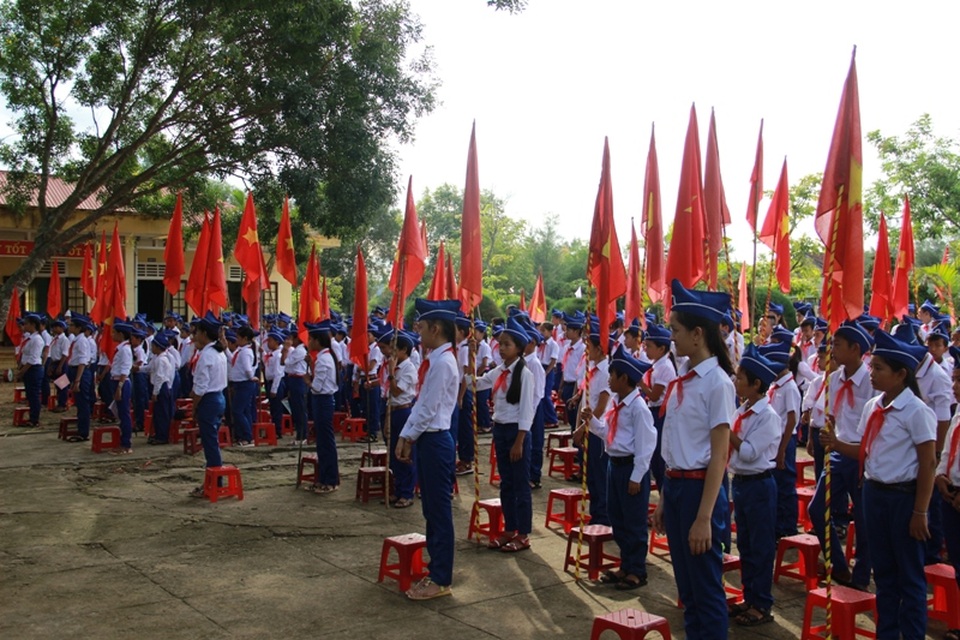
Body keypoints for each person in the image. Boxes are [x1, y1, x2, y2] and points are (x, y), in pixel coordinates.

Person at [821, 330, 936, 640]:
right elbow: (866, 450)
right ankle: (887, 633)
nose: (871, 373)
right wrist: (836, 443)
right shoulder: (874, 405)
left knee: (909, 576)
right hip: (874, 492)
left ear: (900, 375)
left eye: (879, 369)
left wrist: (920, 511)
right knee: (883, 574)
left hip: (903, 497)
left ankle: (911, 634)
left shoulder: (917, 412)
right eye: (872, 367)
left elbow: (928, 463)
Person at [651, 280, 736, 640]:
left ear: (698, 335)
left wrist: (704, 518)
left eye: (675, 330)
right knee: (687, 590)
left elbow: (719, 456)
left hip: (703, 490)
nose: (671, 337)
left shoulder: (717, 383)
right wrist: (665, 500)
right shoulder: (685, 379)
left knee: (706, 589)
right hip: (678, 488)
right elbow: (675, 446)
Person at [395, 299, 460, 600]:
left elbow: (427, 408)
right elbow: (422, 403)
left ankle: (441, 577)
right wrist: (409, 436)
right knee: (432, 511)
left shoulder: (444, 363)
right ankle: (437, 571)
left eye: (421, 326)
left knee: (438, 512)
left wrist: (406, 436)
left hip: (435, 440)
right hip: (429, 439)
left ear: (436, 329)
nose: (417, 331)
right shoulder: (436, 359)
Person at [578, 346, 656, 590]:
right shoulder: (616, 403)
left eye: (612, 376)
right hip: (614, 464)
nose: (609, 380)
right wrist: (591, 421)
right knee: (617, 517)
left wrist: (637, 476)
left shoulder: (638, 408)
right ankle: (625, 564)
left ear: (624, 379)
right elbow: (608, 433)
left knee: (634, 520)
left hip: (631, 468)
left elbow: (646, 444)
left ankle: (637, 570)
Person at [809, 320, 876, 590]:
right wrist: (828, 435)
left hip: (861, 457)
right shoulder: (834, 378)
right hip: (836, 454)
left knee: (863, 520)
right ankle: (837, 562)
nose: (832, 349)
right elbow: (833, 413)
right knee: (817, 509)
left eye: (837, 344)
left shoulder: (872, 381)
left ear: (855, 348)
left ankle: (861, 576)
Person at [727, 345, 781, 627]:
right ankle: (749, 597)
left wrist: (727, 431)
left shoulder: (767, 417)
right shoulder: (742, 410)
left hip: (759, 485)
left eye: (740, 378)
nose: (736, 382)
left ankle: (762, 604)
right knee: (745, 545)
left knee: (760, 547)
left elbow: (748, 452)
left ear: (756, 384)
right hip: (742, 484)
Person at [473, 316, 537, 553]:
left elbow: (526, 412)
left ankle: (523, 533)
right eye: (500, 343)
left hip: (517, 433)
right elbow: (479, 383)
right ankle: (510, 528)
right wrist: (466, 372)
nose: (502, 348)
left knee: (520, 484)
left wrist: (519, 441)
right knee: (506, 483)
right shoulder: (499, 370)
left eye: (507, 344)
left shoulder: (524, 374)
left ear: (519, 348)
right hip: (500, 430)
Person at [569, 322, 612, 524]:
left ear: (599, 348)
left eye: (589, 346)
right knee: (592, 475)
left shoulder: (606, 372)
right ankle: (596, 514)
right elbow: (585, 400)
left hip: (599, 430)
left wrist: (583, 428)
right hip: (588, 429)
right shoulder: (592, 369)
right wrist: (578, 426)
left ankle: (603, 516)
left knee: (600, 475)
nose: (586, 350)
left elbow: (601, 406)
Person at [758, 340, 801, 539]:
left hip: (786, 440)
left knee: (785, 485)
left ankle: (787, 527)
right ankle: (777, 526)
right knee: (776, 482)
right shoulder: (775, 386)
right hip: (775, 440)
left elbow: (792, 420)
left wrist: (782, 449)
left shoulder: (790, 387)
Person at [934, 350, 960, 640]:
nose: (954, 386)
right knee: (957, 561)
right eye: (954, 379)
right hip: (950, 492)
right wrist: (940, 477)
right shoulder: (958, 412)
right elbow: (948, 451)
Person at [190, 312, 228, 497]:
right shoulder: (217, 352)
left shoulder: (207, 355)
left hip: (209, 400)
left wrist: (194, 406)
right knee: (211, 441)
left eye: (197, 332)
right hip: (218, 397)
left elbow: (200, 388)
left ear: (204, 334)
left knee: (210, 443)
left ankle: (214, 482)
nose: (195, 335)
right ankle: (212, 480)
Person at [381, 329, 418, 508]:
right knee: (393, 453)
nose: (391, 352)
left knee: (404, 453)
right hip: (392, 410)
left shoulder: (408, 368)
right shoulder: (396, 366)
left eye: (395, 349)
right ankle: (398, 488)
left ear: (404, 350)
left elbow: (396, 390)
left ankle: (407, 492)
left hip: (404, 411)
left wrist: (391, 373)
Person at [638, 323, 676, 492]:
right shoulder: (657, 366)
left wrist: (641, 384)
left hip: (661, 413)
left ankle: (665, 501)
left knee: (660, 460)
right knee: (654, 458)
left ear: (662, 349)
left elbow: (654, 395)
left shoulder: (665, 368)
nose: (646, 350)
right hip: (654, 411)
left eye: (650, 347)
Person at [307, 321, 340, 493]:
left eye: (311, 339)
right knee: (322, 442)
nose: (308, 342)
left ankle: (330, 480)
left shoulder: (324, 359)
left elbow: (317, 387)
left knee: (326, 443)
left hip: (323, 401)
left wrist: (307, 381)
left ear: (318, 341)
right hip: (322, 401)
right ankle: (324, 477)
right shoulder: (324, 357)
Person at [521, 325, 546, 489]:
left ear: (531, 343)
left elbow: (537, 392)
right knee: (526, 443)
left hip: (534, 407)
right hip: (526, 407)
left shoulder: (534, 363)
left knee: (535, 442)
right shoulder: (523, 361)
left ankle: (534, 475)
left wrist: (530, 412)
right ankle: (526, 474)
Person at [65, 315, 96, 442]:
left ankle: (83, 432)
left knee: (83, 402)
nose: (69, 327)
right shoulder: (75, 340)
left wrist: (77, 381)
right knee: (78, 401)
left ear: (78, 328)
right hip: (73, 370)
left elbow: (83, 362)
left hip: (81, 372)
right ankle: (80, 428)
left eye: (72, 325)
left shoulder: (82, 341)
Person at [228, 326, 259, 447]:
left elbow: (247, 368)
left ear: (245, 338)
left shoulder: (246, 351)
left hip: (244, 383)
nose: (236, 340)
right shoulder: (240, 350)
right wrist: (226, 349)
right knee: (244, 410)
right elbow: (232, 360)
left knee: (237, 410)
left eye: (238, 337)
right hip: (240, 383)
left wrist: (251, 376)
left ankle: (247, 436)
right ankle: (243, 435)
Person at [108, 322, 135, 454]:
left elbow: (125, 370)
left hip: (121, 382)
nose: (112, 335)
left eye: (114, 332)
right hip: (117, 381)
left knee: (124, 414)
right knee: (121, 413)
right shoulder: (121, 348)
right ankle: (123, 441)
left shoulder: (125, 350)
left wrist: (119, 387)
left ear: (120, 334)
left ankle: (126, 444)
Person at [16, 314, 45, 427]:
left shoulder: (37, 339)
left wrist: (22, 371)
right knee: (30, 394)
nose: (24, 326)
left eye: (26, 323)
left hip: (34, 369)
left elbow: (33, 358)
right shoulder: (29, 338)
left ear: (33, 325)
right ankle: (32, 416)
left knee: (34, 394)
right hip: (28, 368)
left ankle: (34, 419)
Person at [147, 331, 175, 445]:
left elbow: (160, 377)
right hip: (160, 387)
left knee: (162, 413)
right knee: (158, 412)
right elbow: (150, 368)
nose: (151, 348)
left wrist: (155, 392)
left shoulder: (161, 360)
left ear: (158, 347)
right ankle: (159, 434)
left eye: (153, 346)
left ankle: (162, 436)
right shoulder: (157, 358)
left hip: (161, 388)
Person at [282, 329, 309, 445]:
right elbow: (284, 364)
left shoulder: (300, 351)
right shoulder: (295, 350)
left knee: (300, 408)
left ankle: (303, 435)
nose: (289, 341)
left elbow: (286, 362)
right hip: (292, 379)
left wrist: (286, 349)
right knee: (295, 408)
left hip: (299, 380)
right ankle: (299, 434)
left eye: (291, 338)